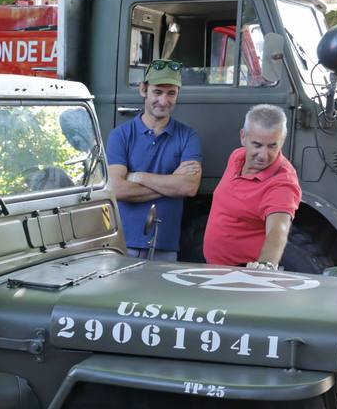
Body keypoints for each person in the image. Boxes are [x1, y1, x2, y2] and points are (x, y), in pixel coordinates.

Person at [106, 61, 202, 261]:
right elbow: (117, 189)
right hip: (124, 244)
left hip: (165, 246)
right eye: (157, 92)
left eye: (171, 93)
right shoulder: (120, 135)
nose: (164, 101)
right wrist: (170, 184)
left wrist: (137, 176)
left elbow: (188, 187)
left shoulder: (188, 135)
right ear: (143, 90)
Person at [202, 104, 302, 270]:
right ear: (243, 137)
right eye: (257, 145)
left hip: (243, 275)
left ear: (282, 141)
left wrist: (265, 267)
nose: (263, 155)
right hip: (215, 267)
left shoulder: (282, 182)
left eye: (272, 146)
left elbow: (278, 230)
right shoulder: (237, 157)